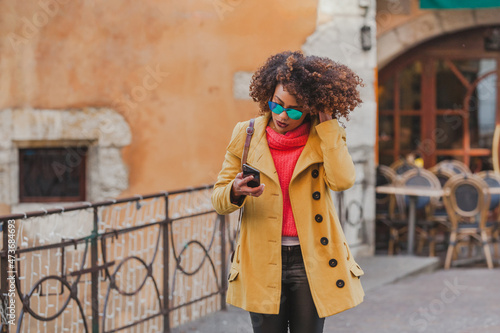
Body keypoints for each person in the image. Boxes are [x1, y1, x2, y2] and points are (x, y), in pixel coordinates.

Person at [212, 51, 365, 333]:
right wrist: (234, 191)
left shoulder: (323, 137)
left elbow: (343, 181)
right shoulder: (245, 135)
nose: (282, 115)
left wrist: (328, 124)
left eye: (294, 110)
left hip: (311, 258)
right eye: (277, 104)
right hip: (261, 258)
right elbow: (219, 200)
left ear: (309, 109)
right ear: (267, 95)